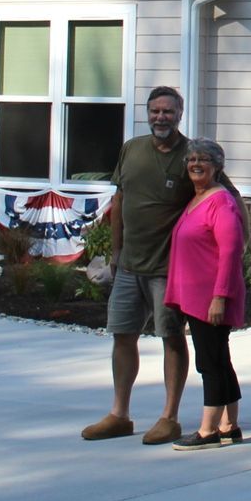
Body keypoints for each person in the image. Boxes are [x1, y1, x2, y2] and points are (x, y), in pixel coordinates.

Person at [81, 87, 193, 443]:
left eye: (168, 111)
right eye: (155, 111)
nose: (161, 117)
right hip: (129, 265)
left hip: (168, 268)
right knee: (122, 335)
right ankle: (120, 414)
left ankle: (169, 416)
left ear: (180, 113)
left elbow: (221, 199)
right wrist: (115, 254)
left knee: (171, 338)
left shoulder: (192, 154)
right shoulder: (132, 148)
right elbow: (119, 200)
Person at [165, 137, 247, 449]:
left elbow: (230, 251)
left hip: (211, 299)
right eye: (191, 160)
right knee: (219, 360)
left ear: (217, 166)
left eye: (203, 160)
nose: (195, 164)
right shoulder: (197, 199)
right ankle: (229, 425)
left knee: (210, 363)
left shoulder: (220, 201)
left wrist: (219, 297)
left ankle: (207, 431)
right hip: (196, 297)